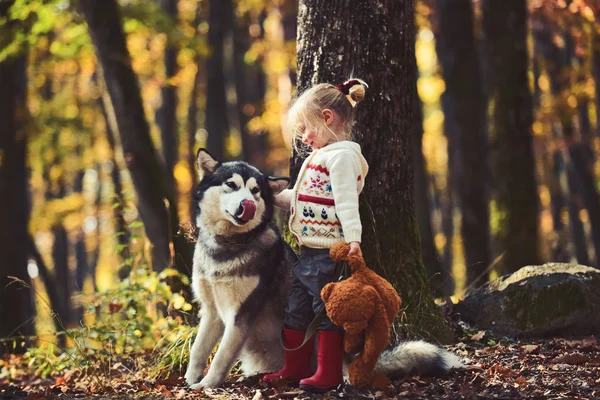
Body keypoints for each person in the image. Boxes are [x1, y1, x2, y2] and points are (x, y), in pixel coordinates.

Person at [263, 78, 370, 392]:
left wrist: (353, 241)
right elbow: (296, 197)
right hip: (307, 252)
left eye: (305, 129)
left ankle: (329, 373)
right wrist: (267, 193)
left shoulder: (343, 158)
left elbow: (347, 203)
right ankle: (294, 367)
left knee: (325, 312)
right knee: (297, 309)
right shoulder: (318, 157)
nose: (303, 137)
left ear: (327, 118)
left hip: (328, 253)